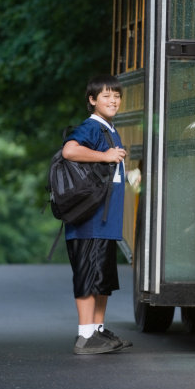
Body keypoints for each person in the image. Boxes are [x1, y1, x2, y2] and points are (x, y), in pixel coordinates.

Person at [62, 74, 132, 355]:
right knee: (88, 277)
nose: (113, 100)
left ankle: (98, 331)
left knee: (102, 278)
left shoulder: (109, 129)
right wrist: (104, 157)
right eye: (106, 96)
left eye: (116, 95)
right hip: (89, 223)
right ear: (92, 101)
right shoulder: (92, 127)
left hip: (105, 223)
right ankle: (84, 335)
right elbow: (69, 150)